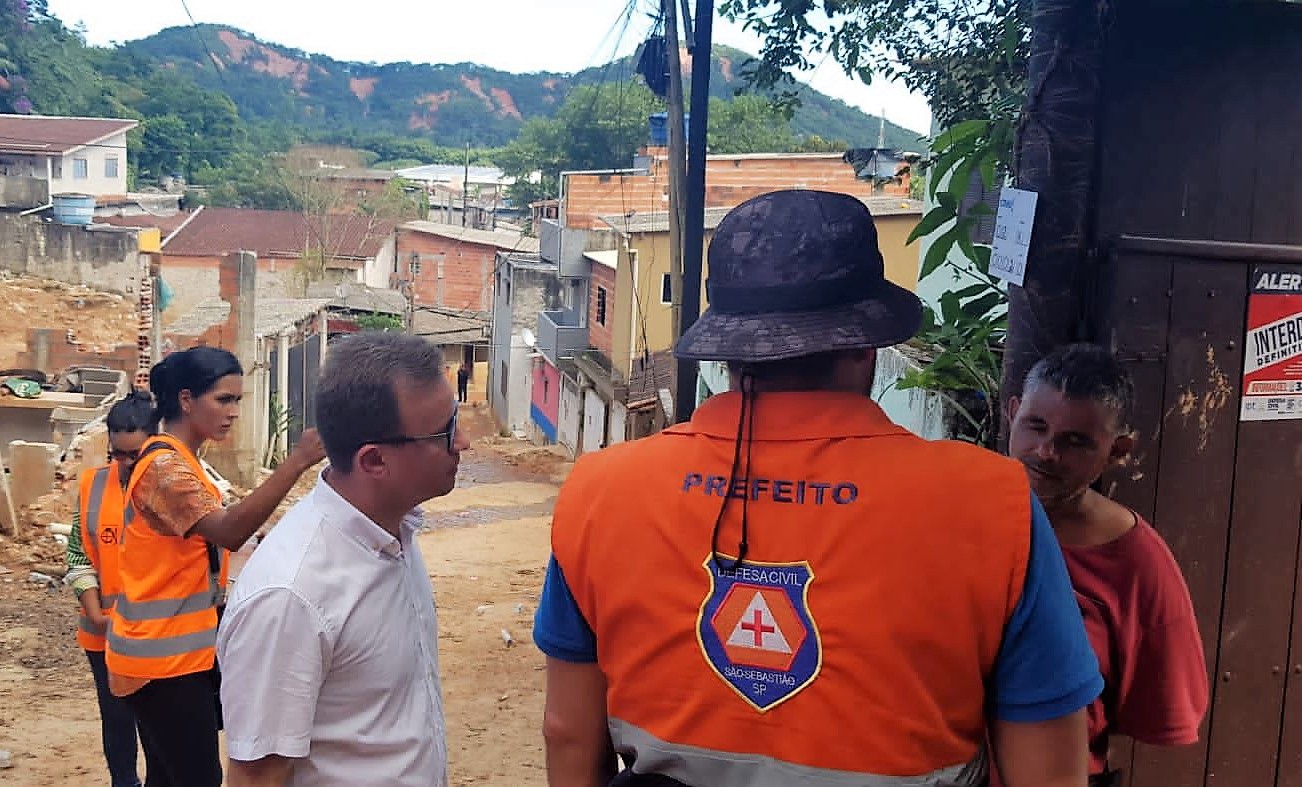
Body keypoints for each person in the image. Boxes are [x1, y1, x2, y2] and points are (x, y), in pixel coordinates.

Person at [532, 189, 1103, 787]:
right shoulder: (995, 506)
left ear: (729, 349)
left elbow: (568, 730)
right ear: (865, 343)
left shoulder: (600, 491)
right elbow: (1049, 767)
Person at [218, 332, 466, 787]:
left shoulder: (395, 531)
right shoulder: (291, 596)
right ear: (373, 461)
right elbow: (258, 777)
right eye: (445, 432)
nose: (463, 442)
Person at [105, 346, 325, 787]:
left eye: (237, 401)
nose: (234, 412)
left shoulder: (183, 462)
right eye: (223, 400)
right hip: (162, 659)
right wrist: (297, 462)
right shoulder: (165, 468)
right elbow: (228, 531)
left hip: (171, 653)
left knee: (169, 777)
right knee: (197, 776)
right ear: (186, 400)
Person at [1007, 343, 1209, 786]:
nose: (1045, 452)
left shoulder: (1138, 564)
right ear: (1013, 413)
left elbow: (1159, 710)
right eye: (1035, 426)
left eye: (1075, 441)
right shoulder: (955, 517)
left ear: (1118, 450)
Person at [64, 392, 154, 787]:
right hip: (104, 635)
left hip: (159, 638)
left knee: (157, 727)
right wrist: (95, 610)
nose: (124, 464)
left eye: (134, 455)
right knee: (117, 720)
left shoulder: (174, 488)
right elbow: (78, 554)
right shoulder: (93, 486)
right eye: (117, 453)